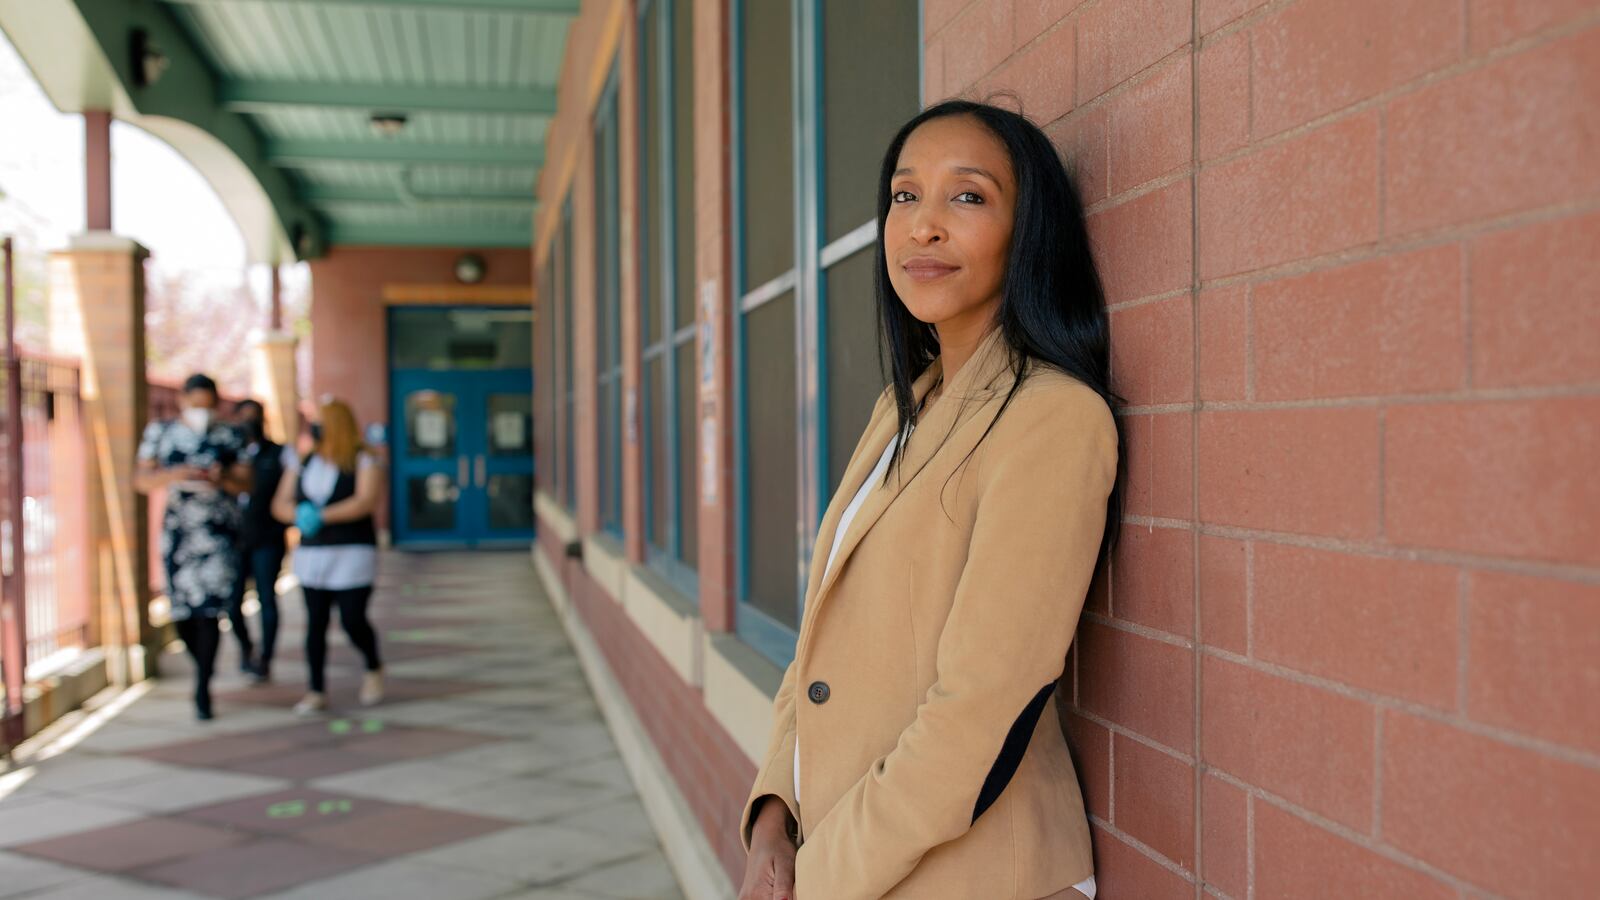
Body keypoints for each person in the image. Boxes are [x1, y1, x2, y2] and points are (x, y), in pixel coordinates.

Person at [737, 100, 1121, 900]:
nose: (924, 226)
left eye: (969, 197)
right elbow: (820, 642)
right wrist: (775, 817)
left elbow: (982, 712)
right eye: (906, 196)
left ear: (1028, 233)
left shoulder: (1051, 417)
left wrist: (823, 879)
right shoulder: (901, 407)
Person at [134, 374, 251, 721]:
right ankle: (200, 664)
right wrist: (175, 474)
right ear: (183, 400)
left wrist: (221, 479)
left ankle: (203, 683)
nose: (202, 411)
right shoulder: (161, 432)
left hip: (217, 532)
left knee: (211, 610)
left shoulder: (230, 434)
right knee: (183, 613)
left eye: (208, 405)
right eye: (196, 403)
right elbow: (142, 479)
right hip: (179, 533)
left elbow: (248, 481)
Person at [270, 398, 384, 715]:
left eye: (321, 421)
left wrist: (323, 515)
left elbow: (364, 501)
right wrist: (299, 514)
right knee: (315, 624)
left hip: (352, 553)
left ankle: (373, 666)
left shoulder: (364, 459)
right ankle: (315, 689)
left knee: (352, 620)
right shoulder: (304, 462)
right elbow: (280, 503)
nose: (315, 427)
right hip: (312, 556)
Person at [227, 399, 293, 684]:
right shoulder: (227, 454)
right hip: (233, 540)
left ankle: (265, 658)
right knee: (231, 603)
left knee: (267, 596)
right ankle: (246, 648)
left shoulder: (280, 454)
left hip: (268, 537)